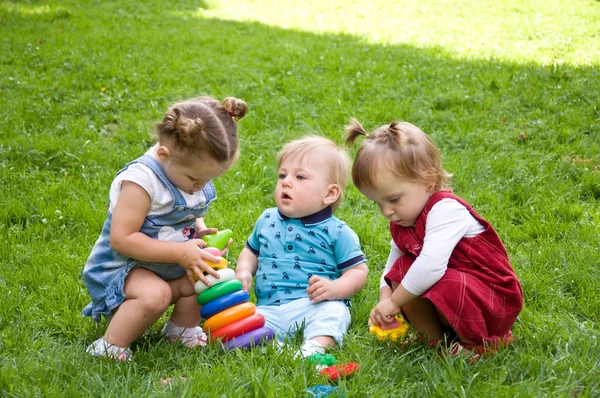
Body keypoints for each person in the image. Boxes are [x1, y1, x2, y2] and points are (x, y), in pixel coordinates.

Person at [82, 96, 248, 360]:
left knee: (204, 276)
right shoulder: (141, 182)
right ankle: (109, 345)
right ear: (163, 154)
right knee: (156, 294)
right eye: (195, 179)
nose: (200, 186)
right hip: (123, 271)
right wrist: (181, 254)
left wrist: (201, 230)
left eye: (208, 180)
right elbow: (122, 239)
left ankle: (181, 331)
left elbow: (188, 211)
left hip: (164, 264)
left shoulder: (186, 171)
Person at [345, 119, 523, 358]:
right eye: (378, 202)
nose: (387, 211)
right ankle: (435, 344)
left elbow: (431, 266)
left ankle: (481, 343)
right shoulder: (402, 221)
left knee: (435, 278)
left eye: (394, 199)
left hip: (490, 299)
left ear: (428, 181)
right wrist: (384, 301)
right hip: (453, 293)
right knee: (401, 270)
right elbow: (391, 266)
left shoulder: (445, 210)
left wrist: (394, 302)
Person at [235, 136, 368, 358]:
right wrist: (244, 270)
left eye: (300, 177)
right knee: (245, 323)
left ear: (329, 194)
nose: (286, 182)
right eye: (282, 175)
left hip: (314, 303)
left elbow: (357, 271)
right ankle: (275, 347)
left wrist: (334, 289)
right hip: (269, 307)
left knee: (334, 313)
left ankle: (315, 347)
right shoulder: (266, 219)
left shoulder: (337, 231)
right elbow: (251, 251)